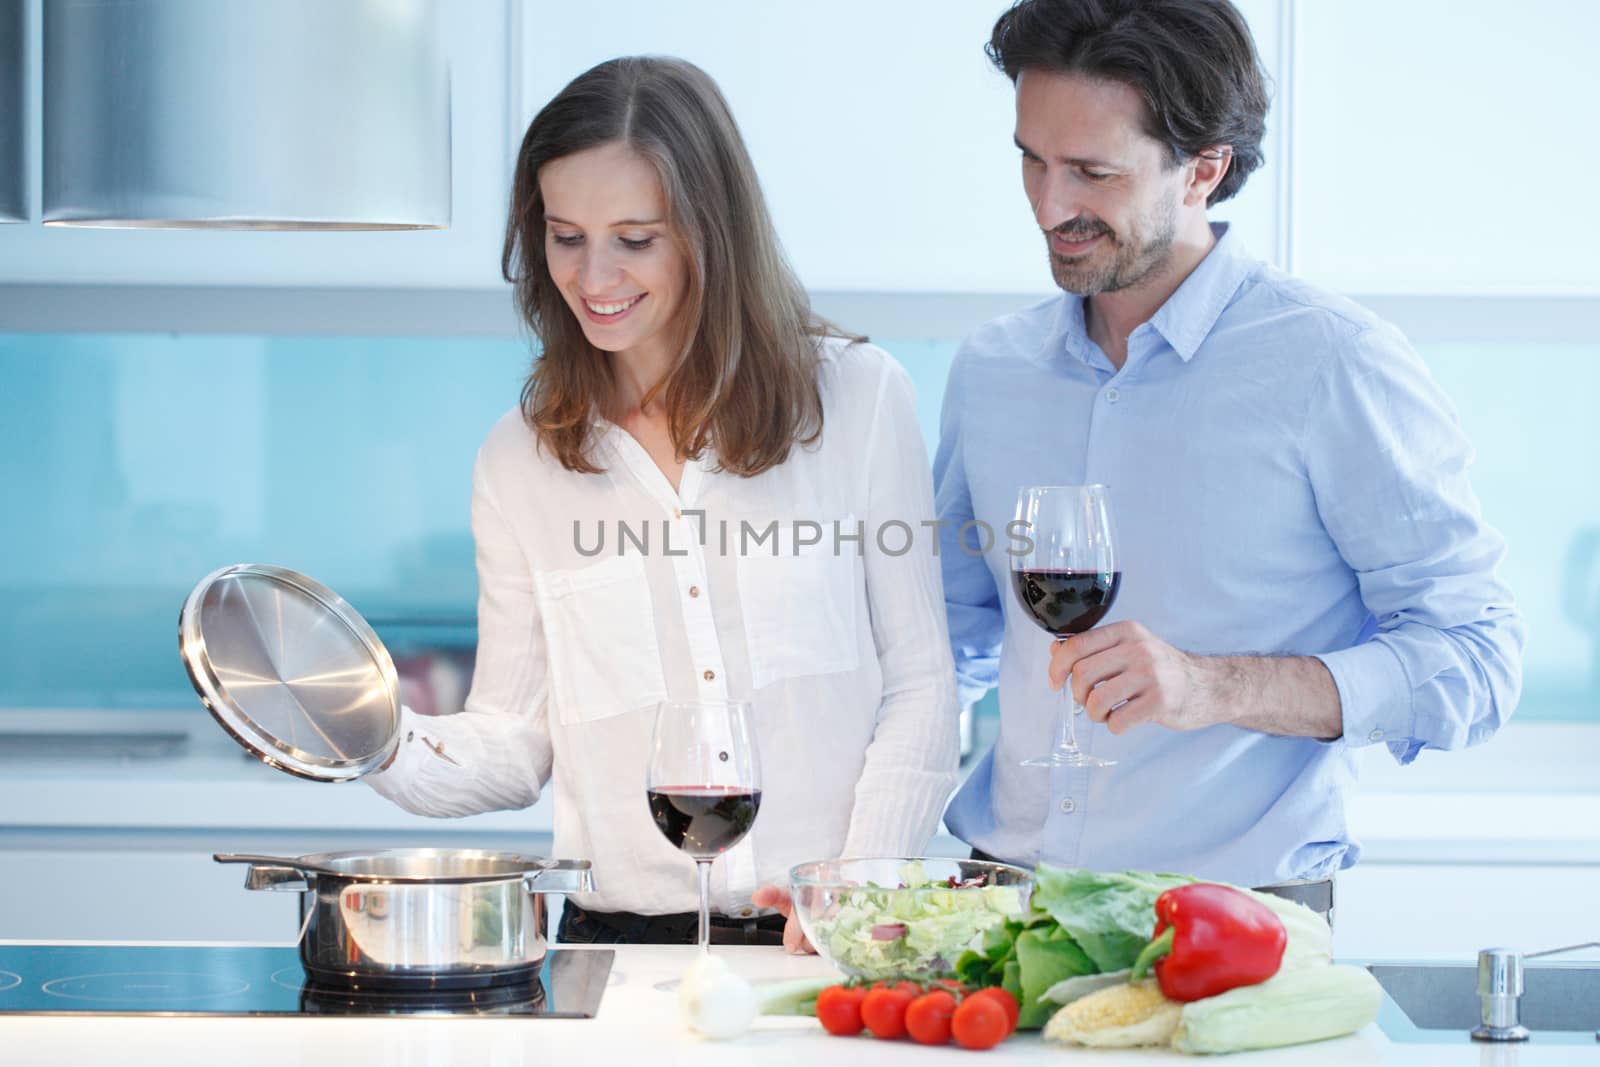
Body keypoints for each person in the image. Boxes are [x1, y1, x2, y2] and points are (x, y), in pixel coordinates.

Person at [937, 0, 1525, 910]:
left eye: (1093, 172)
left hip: (1232, 917)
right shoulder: (991, 370)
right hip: (997, 892)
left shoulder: (1333, 363)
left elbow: (1477, 659)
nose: (1050, 207)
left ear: (1203, 169)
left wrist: (1210, 686)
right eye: (1032, 159)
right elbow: (943, 639)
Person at [366, 56, 959, 948]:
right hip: (618, 945)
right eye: (565, 237)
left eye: (634, 239)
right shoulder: (517, 460)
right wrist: (368, 741)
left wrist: (864, 886)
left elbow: (921, 682)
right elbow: (514, 739)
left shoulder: (860, 400)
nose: (593, 276)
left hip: (829, 937)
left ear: (708, 233)